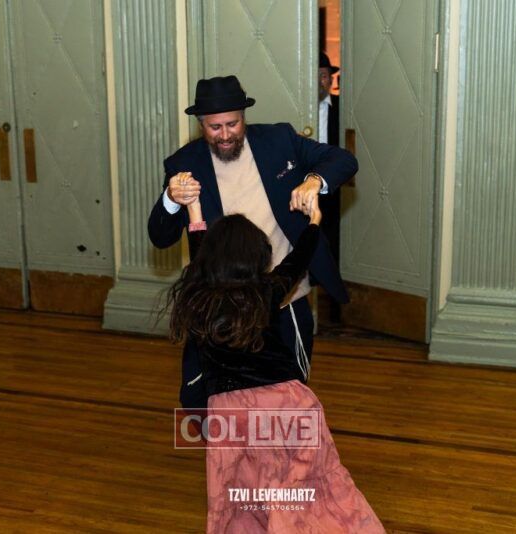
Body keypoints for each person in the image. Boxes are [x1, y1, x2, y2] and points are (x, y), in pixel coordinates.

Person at [167, 187, 385, 533]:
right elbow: (297, 261)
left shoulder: (198, 297)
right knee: (302, 493)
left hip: (230, 415)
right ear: (256, 257)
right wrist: (314, 222)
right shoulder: (265, 292)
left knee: (243, 497)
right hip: (287, 406)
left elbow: (198, 258)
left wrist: (195, 211)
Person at [148, 75, 357, 408]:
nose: (225, 134)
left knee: (290, 393)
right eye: (215, 127)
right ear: (201, 125)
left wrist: (314, 181)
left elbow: (344, 160)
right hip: (220, 311)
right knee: (210, 401)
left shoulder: (278, 140)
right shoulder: (184, 164)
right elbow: (160, 237)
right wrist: (171, 199)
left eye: (232, 124)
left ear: (243, 117)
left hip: (285, 298)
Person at [318, 52, 343, 323]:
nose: (319, 82)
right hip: (302, 189)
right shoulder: (296, 110)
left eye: (323, 76)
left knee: (334, 241)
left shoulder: (342, 109)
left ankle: (336, 303)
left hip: (334, 189)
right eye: (314, 76)